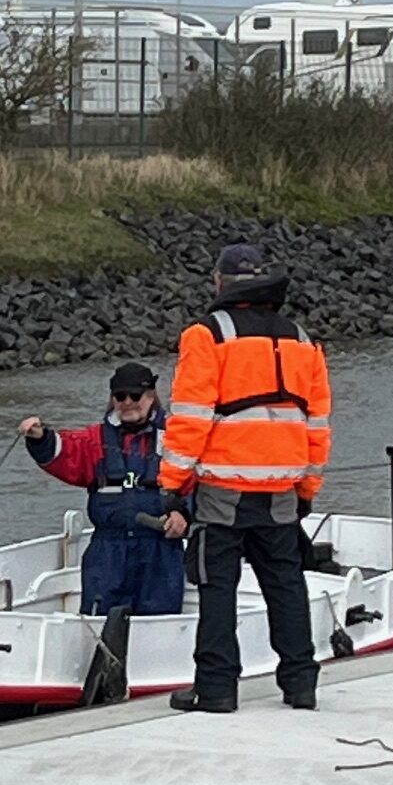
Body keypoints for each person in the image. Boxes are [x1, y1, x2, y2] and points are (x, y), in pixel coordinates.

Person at [158, 242, 332, 714]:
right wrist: (307, 489)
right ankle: (300, 684)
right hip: (282, 487)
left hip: (224, 487)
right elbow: (318, 424)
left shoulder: (207, 335)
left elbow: (190, 418)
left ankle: (216, 689)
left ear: (220, 283)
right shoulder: (302, 340)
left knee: (217, 588)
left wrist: (172, 485)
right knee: (286, 585)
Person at [18, 363, 185, 616]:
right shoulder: (95, 440)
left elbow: (198, 484)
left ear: (151, 396)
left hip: (160, 554)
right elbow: (66, 453)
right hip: (108, 552)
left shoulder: (177, 439)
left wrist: (183, 515)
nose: (127, 402)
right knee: (99, 622)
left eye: (135, 396)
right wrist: (39, 438)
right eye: (120, 396)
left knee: (159, 624)